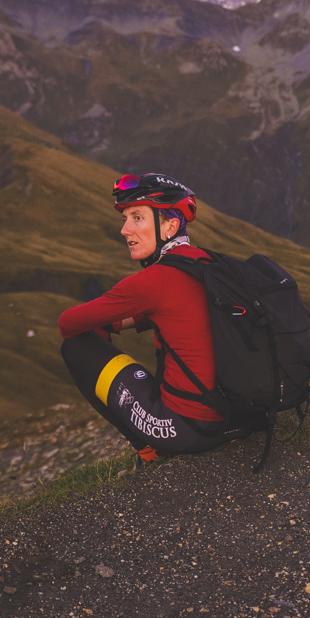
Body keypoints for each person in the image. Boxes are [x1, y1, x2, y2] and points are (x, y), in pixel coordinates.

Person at [58, 173, 252, 462]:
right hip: (240, 419)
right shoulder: (209, 263)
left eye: (137, 218)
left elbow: (68, 323)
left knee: (74, 346)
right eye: (124, 219)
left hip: (187, 431)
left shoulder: (153, 281)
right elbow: (184, 309)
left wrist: (112, 320)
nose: (125, 230)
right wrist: (134, 318)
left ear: (170, 225)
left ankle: (149, 450)